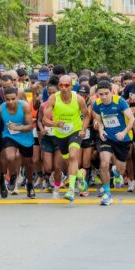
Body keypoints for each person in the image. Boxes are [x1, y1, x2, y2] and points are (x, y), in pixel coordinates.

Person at [41, 74, 90, 202]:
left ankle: (71, 190)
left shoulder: (78, 99)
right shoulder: (53, 99)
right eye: (61, 85)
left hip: (75, 131)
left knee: (73, 156)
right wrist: (55, 124)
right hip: (60, 134)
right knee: (68, 161)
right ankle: (80, 176)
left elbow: (87, 115)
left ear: (71, 86)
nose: (63, 88)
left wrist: (83, 129)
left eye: (66, 85)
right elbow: (44, 120)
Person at [90, 79, 134, 206]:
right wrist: (101, 130)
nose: (103, 97)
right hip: (107, 137)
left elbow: (132, 119)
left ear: (112, 92)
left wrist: (124, 132)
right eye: (100, 94)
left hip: (122, 138)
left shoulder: (119, 101)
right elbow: (99, 120)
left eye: (106, 94)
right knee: (103, 163)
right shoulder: (97, 104)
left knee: (120, 170)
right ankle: (107, 193)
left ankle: (115, 172)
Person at [0, 87, 36, 199]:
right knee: (10, 157)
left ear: (17, 97)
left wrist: (17, 127)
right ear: (4, 99)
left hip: (25, 136)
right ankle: (11, 176)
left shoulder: (24, 106)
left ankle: (30, 185)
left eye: (13, 99)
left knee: (29, 163)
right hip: (9, 135)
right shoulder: (0, 109)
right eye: (7, 99)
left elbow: (30, 126)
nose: (10, 102)